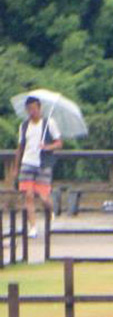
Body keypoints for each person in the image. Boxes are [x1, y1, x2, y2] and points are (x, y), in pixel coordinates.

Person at [11, 95, 62, 238]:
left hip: (43, 164)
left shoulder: (48, 123)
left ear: (39, 108)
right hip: (27, 162)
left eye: (34, 108)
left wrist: (47, 146)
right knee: (28, 195)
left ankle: (51, 209)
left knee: (44, 197)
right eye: (29, 109)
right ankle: (32, 227)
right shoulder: (24, 125)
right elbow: (20, 147)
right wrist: (16, 166)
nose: (32, 111)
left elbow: (59, 143)